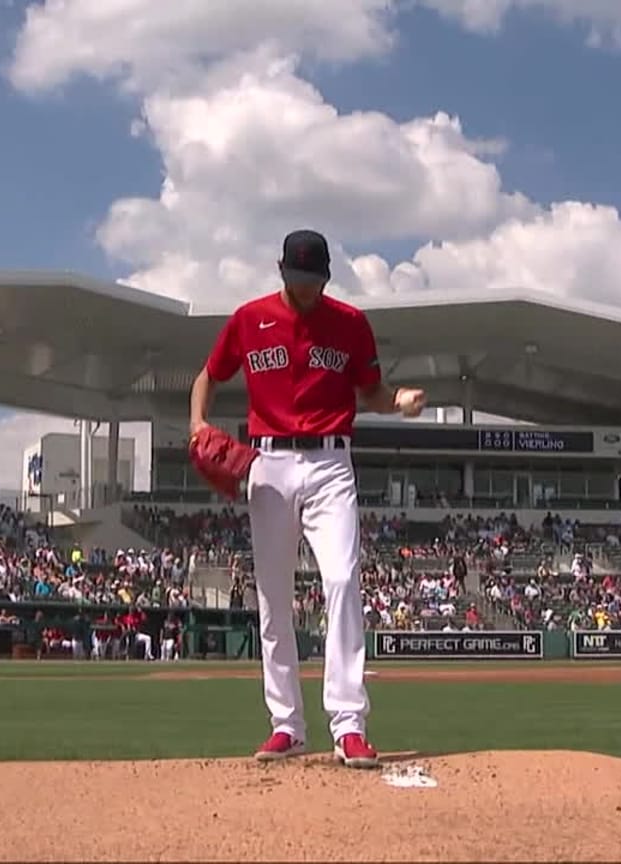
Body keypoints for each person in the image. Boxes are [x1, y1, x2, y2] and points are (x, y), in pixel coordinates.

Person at [189, 228, 425, 769]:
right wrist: (197, 422)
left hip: (330, 462)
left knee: (342, 578)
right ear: (281, 272)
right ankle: (287, 726)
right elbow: (209, 375)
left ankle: (348, 724)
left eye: (313, 279)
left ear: (325, 276)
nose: (306, 288)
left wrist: (400, 401)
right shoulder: (249, 319)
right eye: (297, 278)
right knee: (273, 597)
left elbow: (372, 393)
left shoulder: (349, 324)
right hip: (267, 463)